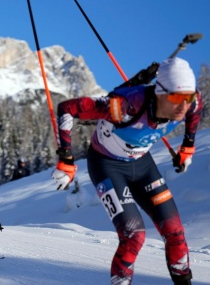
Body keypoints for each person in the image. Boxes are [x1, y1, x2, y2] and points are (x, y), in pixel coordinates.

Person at [51, 57, 202, 285]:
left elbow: (194, 111)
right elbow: (67, 108)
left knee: (175, 232)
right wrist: (66, 159)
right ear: (160, 92)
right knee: (134, 236)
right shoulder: (126, 106)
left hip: (142, 165)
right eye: (176, 98)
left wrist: (188, 147)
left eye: (188, 98)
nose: (183, 106)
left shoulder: (191, 102)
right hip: (107, 165)